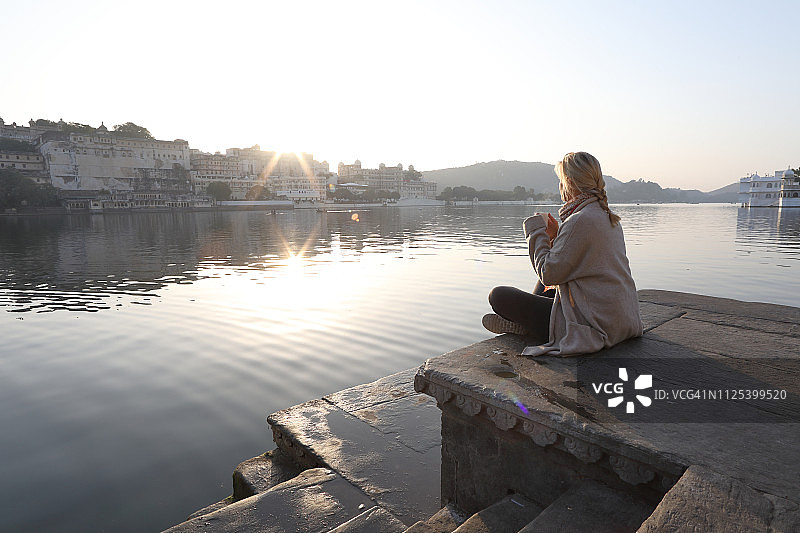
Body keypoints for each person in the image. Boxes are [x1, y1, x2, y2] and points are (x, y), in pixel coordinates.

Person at [482, 151, 643, 356]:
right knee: (548, 284)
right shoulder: (606, 216)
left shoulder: (580, 220)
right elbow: (578, 263)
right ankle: (528, 324)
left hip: (595, 326)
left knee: (498, 296)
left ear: (568, 183)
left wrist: (536, 231)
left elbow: (548, 273)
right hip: (620, 320)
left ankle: (528, 326)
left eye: (560, 181)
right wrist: (555, 236)